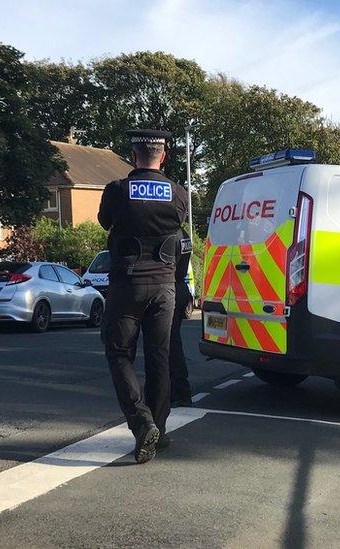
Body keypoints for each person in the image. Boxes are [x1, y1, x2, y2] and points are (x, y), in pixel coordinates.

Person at [98, 128, 188, 464]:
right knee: (159, 359)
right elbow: (175, 225)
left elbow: (106, 221)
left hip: (127, 285)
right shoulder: (179, 194)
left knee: (119, 354)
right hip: (165, 288)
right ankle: (159, 432)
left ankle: (142, 423)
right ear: (162, 157)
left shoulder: (118, 191)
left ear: (133, 157)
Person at [169, 228, 194, 407]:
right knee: (173, 343)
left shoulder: (169, 233)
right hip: (180, 288)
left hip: (169, 289)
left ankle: (177, 391)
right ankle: (181, 390)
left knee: (167, 345)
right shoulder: (184, 234)